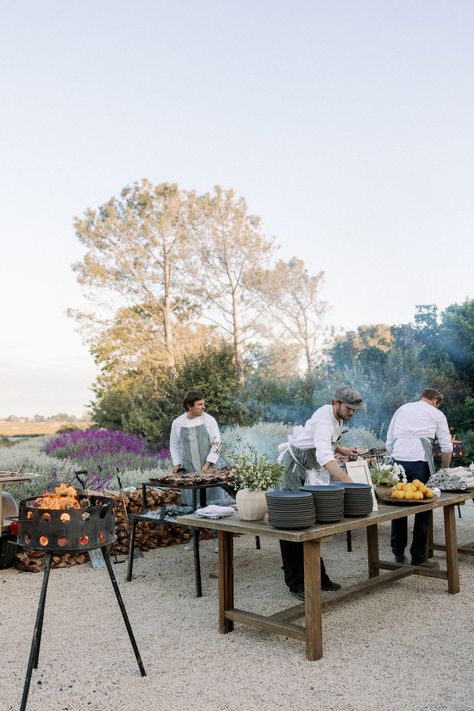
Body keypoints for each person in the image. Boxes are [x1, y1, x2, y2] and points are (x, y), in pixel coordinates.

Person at [279, 385, 364, 600]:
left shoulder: (336, 417)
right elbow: (325, 456)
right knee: (293, 524)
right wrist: (348, 481)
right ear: (336, 403)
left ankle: (318, 575)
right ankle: (296, 582)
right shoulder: (325, 419)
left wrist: (343, 450)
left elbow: (326, 443)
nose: (351, 413)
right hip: (293, 469)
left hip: (308, 469)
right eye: (348, 409)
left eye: (354, 410)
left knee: (312, 522)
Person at [386, 387, 453, 568]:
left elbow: (389, 439)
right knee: (423, 508)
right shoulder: (437, 414)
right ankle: (418, 556)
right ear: (435, 401)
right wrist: (445, 469)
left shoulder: (402, 409)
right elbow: (447, 447)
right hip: (419, 463)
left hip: (398, 461)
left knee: (398, 506)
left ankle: (398, 552)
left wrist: (394, 460)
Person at [170, 390, 221, 508]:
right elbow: (174, 444)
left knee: (213, 504)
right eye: (200, 404)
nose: (203, 407)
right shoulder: (177, 423)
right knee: (192, 504)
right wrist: (177, 464)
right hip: (189, 470)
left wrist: (208, 464)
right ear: (189, 406)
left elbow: (217, 443)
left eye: (203, 404)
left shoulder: (209, 420)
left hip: (208, 469)